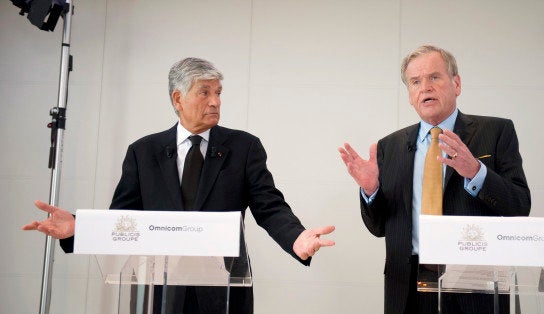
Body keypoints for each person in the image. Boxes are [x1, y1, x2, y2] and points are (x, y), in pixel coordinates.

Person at [23, 57, 335, 314]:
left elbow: (269, 207)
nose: (215, 101)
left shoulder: (244, 148)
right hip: (157, 293)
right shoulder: (143, 152)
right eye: (204, 92)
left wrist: (296, 238)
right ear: (178, 99)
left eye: (218, 92)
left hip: (224, 291)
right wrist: (79, 228)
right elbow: (122, 220)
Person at [338, 45, 531, 314]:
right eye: (415, 82)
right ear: (409, 95)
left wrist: (476, 171)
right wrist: (371, 191)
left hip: (475, 281)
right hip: (408, 284)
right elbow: (378, 227)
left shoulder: (496, 131)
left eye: (434, 77)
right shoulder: (389, 146)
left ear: (457, 84)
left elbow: (519, 206)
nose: (425, 87)